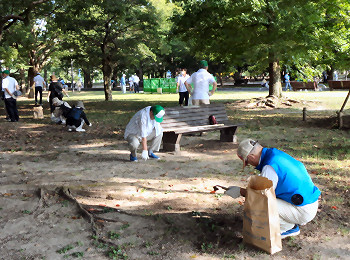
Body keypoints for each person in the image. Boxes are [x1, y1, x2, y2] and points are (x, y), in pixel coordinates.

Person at [233, 139, 321, 239]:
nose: (249, 165)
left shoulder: (270, 167)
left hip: (303, 210)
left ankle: (286, 228)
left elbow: (259, 197)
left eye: (247, 162)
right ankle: (288, 221)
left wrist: (240, 191)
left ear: (251, 157)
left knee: (256, 204)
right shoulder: (274, 155)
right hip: (308, 202)